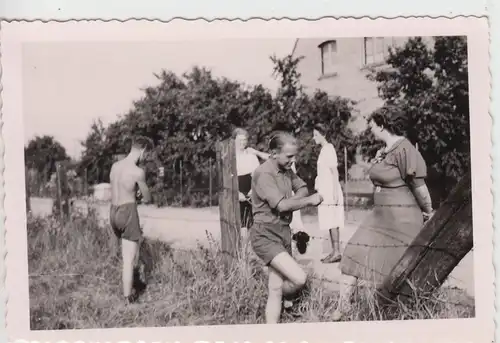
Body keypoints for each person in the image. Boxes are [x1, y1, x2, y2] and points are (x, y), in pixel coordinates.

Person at [333, 110, 434, 320]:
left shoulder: (406, 149)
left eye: (371, 124)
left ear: (381, 124)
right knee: (353, 253)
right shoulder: (386, 150)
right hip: (379, 216)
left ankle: (397, 312)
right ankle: (344, 307)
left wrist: (428, 212)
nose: (369, 129)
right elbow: (380, 177)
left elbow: (420, 188)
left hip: (401, 219)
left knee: (396, 268)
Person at [250, 131, 323, 324]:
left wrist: (293, 200)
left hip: (282, 232)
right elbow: (281, 206)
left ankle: (270, 332)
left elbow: (302, 187)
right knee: (299, 279)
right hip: (265, 235)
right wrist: (308, 201)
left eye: (294, 155)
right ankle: (270, 298)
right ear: (274, 153)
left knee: (275, 289)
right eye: (289, 156)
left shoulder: (286, 170)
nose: (294, 160)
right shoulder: (264, 173)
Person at [109, 136, 154, 304]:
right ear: (143, 150)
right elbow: (147, 197)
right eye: (146, 154)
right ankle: (128, 300)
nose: (145, 158)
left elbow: (118, 187)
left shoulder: (115, 166)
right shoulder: (138, 171)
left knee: (124, 256)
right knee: (129, 259)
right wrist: (141, 194)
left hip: (113, 211)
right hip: (128, 211)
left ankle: (127, 289)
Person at [312, 123, 345, 264]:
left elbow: (334, 172)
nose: (314, 138)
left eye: (316, 135)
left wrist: (335, 193)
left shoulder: (329, 149)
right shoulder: (324, 150)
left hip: (331, 190)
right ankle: (334, 251)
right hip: (325, 190)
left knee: (333, 221)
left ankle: (337, 252)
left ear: (323, 134)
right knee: (329, 221)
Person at [234, 128, 261, 229]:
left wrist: (252, 190)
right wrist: (237, 193)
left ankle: (251, 244)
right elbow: (229, 178)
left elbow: (257, 175)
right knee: (240, 225)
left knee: (252, 223)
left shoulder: (251, 156)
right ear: (235, 141)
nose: (242, 142)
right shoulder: (231, 157)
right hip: (237, 191)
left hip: (251, 192)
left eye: (244, 140)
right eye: (239, 140)